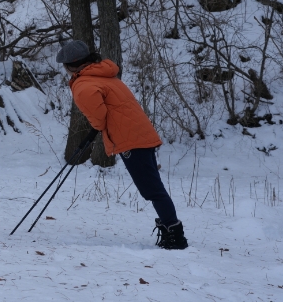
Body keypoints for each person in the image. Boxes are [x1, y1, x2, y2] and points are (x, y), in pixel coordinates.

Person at [57, 39, 189, 250]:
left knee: (152, 189)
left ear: (69, 66)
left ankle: (174, 235)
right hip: (139, 134)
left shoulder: (83, 85)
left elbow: (99, 116)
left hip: (131, 139)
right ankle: (171, 229)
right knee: (152, 187)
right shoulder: (105, 75)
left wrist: (96, 127)